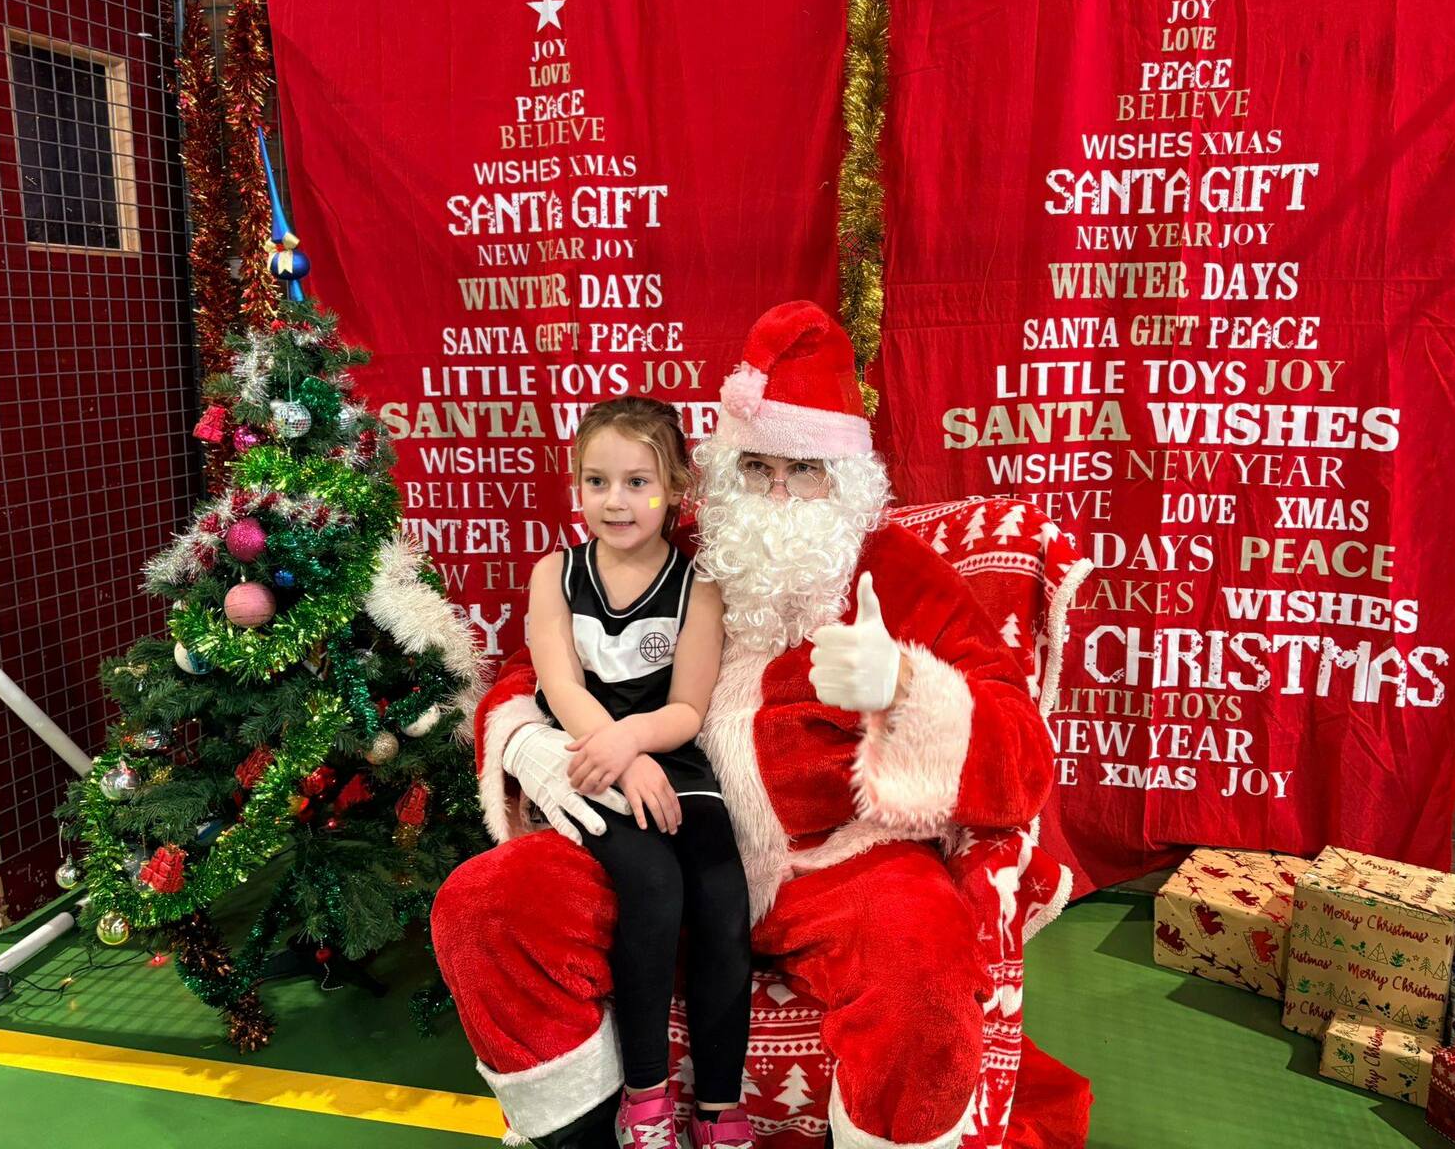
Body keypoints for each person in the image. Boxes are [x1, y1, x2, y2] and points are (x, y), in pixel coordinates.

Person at [433, 302, 1063, 1149]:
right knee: (485, 906)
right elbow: (534, 665)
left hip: (835, 861)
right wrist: (531, 741)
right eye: (756, 466)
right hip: (657, 828)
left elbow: (1022, 758)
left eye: (803, 470)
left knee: (919, 956)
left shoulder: (897, 573)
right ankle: (579, 1133)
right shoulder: (682, 543)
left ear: (846, 478)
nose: (774, 493)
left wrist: (907, 688)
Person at [514, 397, 753, 1149]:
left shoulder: (697, 585)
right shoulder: (554, 574)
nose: (615, 501)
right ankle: (645, 1099)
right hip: (589, 761)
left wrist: (641, 746)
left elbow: (687, 707)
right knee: (652, 885)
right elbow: (560, 687)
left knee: (722, 897)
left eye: (637, 482)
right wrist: (619, 754)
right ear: (577, 485)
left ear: (676, 487)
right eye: (597, 481)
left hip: (671, 758)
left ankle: (719, 1108)